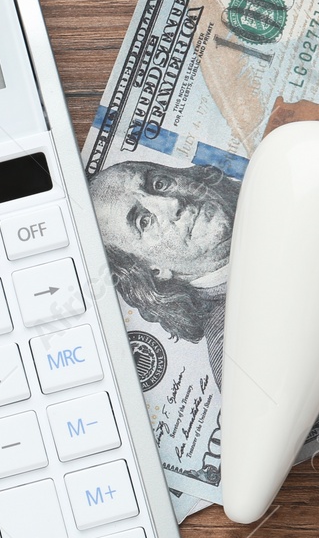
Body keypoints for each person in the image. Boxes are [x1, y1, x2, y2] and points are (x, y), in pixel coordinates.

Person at [88, 160, 242, 382]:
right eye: (144, 221)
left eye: (159, 184)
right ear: (153, 270)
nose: (172, 203)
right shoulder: (231, 350)